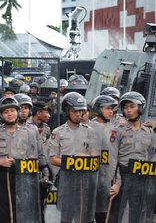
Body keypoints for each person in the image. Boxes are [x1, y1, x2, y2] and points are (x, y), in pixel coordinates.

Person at [0, 96, 45, 222]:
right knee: (2, 211)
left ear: (17, 112)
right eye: (6, 112)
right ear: (0, 115)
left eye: (12, 110)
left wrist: (44, 171)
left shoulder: (29, 132)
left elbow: (37, 155)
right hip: (2, 176)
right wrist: (0, 162)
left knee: (23, 209)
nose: (10, 114)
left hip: (24, 176)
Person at [49, 92, 100, 222]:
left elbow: (95, 158)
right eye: (74, 111)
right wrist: (72, 160)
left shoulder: (90, 131)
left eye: (81, 111)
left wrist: (86, 158)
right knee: (66, 214)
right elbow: (53, 159)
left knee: (83, 214)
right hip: (66, 179)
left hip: (85, 180)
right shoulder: (58, 132)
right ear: (67, 111)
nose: (78, 114)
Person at [108, 92, 156, 222]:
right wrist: (117, 183)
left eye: (132, 106)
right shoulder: (118, 131)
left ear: (140, 108)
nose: (128, 110)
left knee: (138, 213)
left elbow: (152, 157)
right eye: (125, 107)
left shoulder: (150, 132)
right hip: (123, 175)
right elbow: (113, 159)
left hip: (141, 177)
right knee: (116, 214)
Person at [89, 95, 118, 223]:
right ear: (99, 109)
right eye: (107, 108)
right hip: (90, 180)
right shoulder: (88, 128)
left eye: (112, 109)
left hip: (109, 180)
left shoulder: (116, 130)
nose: (111, 111)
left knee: (105, 216)